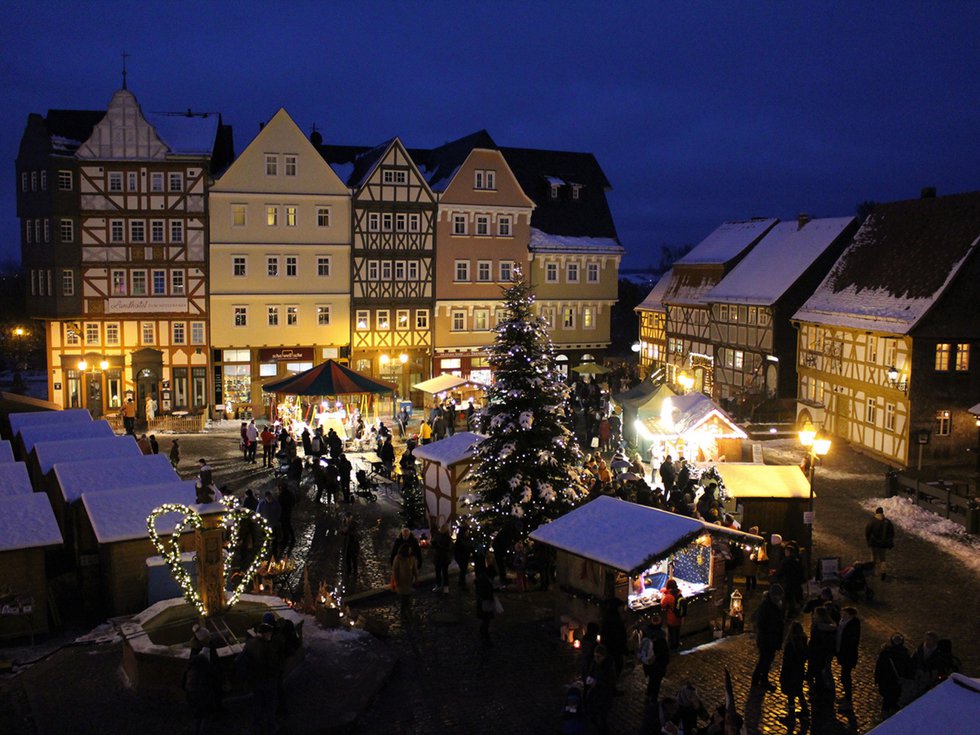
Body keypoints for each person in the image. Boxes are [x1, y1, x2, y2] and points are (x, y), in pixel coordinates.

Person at [240, 621, 280, 734]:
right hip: (267, 680)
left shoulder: (249, 644)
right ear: (266, 634)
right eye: (270, 633)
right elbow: (273, 664)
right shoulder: (267, 647)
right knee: (270, 704)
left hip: (254, 680)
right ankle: (271, 726)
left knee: (257, 704)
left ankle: (255, 726)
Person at [183, 626, 221, 735]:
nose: (210, 638)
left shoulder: (195, 657)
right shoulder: (200, 658)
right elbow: (213, 669)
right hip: (204, 690)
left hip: (196, 692)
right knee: (204, 715)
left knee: (199, 714)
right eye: (207, 637)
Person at [752, 584, 785, 691]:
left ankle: (761, 680)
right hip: (766, 639)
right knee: (764, 660)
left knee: (767, 660)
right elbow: (761, 623)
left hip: (771, 638)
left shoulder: (775, 605)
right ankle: (758, 680)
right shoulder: (766, 606)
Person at [779, 621, 810, 728]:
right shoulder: (803, 641)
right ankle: (805, 711)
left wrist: (783, 675)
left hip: (790, 672)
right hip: (799, 671)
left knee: (791, 694)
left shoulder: (790, 644)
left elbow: (787, 661)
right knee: (799, 691)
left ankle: (791, 716)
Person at [875, 633, 912, 716]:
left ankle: (885, 714)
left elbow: (879, 667)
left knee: (887, 699)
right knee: (895, 698)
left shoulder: (886, 652)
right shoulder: (905, 653)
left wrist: (877, 679)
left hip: (887, 680)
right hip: (898, 681)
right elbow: (908, 668)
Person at [583, 644, 616, 734]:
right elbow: (589, 672)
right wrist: (588, 678)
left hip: (604, 697)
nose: (596, 659)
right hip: (594, 696)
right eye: (595, 656)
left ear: (604, 657)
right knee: (592, 716)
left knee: (602, 719)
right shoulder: (594, 663)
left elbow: (610, 682)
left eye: (598, 657)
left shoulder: (609, 667)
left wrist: (597, 683)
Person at [637, 616, 669, 702]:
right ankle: (653, 698)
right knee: (656, 682)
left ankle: (648, 694)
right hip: (658, 664)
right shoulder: (661, 638)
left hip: (648, 663)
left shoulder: (645, 634)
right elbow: (664, 653)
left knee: (652, 679)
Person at [835, 606, 861, 711]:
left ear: (850, 615)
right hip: (842, 652)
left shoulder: (853, 624)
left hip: (848, 654)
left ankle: (848, 700)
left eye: (844, 614)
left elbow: (851, 641)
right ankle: (846, 697)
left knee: (845, 677)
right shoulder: (843, 621)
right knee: (844, 676)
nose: (842, 615)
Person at [865, 506, 895, 581]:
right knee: (882, 558)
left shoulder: (872, 521)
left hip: (874, 543)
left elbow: (867, 532)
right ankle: (883, 572)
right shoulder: (887, 522)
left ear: (876, 512)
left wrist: (868, 541)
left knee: (873, 557)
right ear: (882, 513)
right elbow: (891, 533)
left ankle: (872, 571)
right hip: (883, 544)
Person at [392, 543, 418, 615]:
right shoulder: (398, 558)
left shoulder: (412, 558)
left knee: (407, 596)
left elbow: (414, 569)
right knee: (404, 597)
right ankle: (403, 612)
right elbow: (395, 570)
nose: (410, 551)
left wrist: (416, 578)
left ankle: (407, 609)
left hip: (409, 581)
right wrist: (396, 581)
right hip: (401, 581)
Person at [474, 558, 496, 646]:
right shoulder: (484, 580)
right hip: (485, 602)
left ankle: (484, 633)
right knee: (486, 619)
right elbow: (485, 592)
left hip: (484, 602)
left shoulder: (482, 578)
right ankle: (484, 634)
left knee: (486, 619)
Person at [660, 578, 683, 650]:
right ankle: (677, 643)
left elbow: (662, 604)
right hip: (679, 616)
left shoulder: (668, 596)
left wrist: (664, 594)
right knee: (677, 631)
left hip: (672, 617)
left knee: (672, 632)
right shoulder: (679, 593)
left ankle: (673, 647)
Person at [431, 522, 453, 594]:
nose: (442, 529)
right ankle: (438, 585)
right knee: (437, 572)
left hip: (444, 557)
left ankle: (446, 586)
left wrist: (438, 546)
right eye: (442, 528)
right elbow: (434, 544)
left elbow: (448, 548)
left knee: (444, 572)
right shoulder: (437, 535)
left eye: (444, 528)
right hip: (437, 557)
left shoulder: (448, 538)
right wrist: (433, 545)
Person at [453, 520, 473, 590]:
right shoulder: (461, 539)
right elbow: (465, 547)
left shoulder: (463, 538)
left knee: (463, 570)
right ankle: (462, 584)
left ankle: (461, 582)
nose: (468, 533)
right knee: (463, 570)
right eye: (467, 532)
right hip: (461, 557)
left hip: (463, 556)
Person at [277, 481, 296, 552]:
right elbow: (294, 501)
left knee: (285, 525)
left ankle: (286, 538)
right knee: (288, 524)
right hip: (288, 511)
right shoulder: (290, 493)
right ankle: (292, 537)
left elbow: (279, 504)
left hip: (284, 512)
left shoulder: (282, 495)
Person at [340, 511, 359, 578]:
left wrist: (346, 529)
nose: (348, 519)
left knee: (354, 559)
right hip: (348, 544)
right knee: (348, 558)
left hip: (353, 544)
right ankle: (349, 571)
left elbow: (351, 532)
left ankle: (354, 572)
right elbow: (342, 532)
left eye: (349, 517)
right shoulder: (346, 523)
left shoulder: (353, 524)